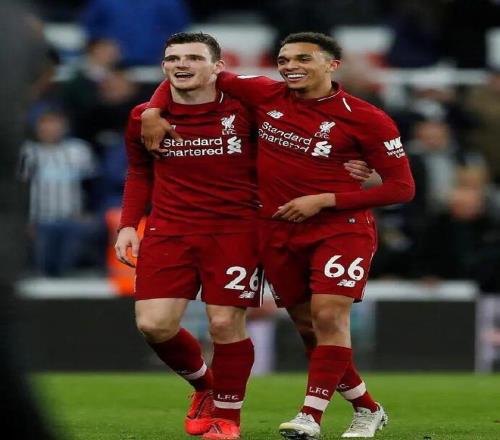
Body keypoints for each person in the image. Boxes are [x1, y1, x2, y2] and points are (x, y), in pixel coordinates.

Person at [141, 31, 415, 439]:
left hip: (340, 228)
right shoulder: (265, 95)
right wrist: (152, 110)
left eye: (303, 59)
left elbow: (402, 188)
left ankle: (309, 416)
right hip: (278, 230)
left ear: (332, 65)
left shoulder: (366, 117)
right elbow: (191, 72)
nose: (291, 66)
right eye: (284, 60)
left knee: (329, 315)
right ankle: (367, 408)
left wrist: (326, 200)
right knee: (308, 327)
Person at [114, 32, 260, 440]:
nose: (181, 64)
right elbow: (139, 171)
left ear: (217, 67)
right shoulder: (143, 116)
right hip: (170, 229)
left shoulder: (246, 109)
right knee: (154, 325)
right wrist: (128, 225)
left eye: (194, 57)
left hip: (236, 230)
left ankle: (227, 418)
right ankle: (205, 386)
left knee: (224, 323)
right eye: (173, 58)